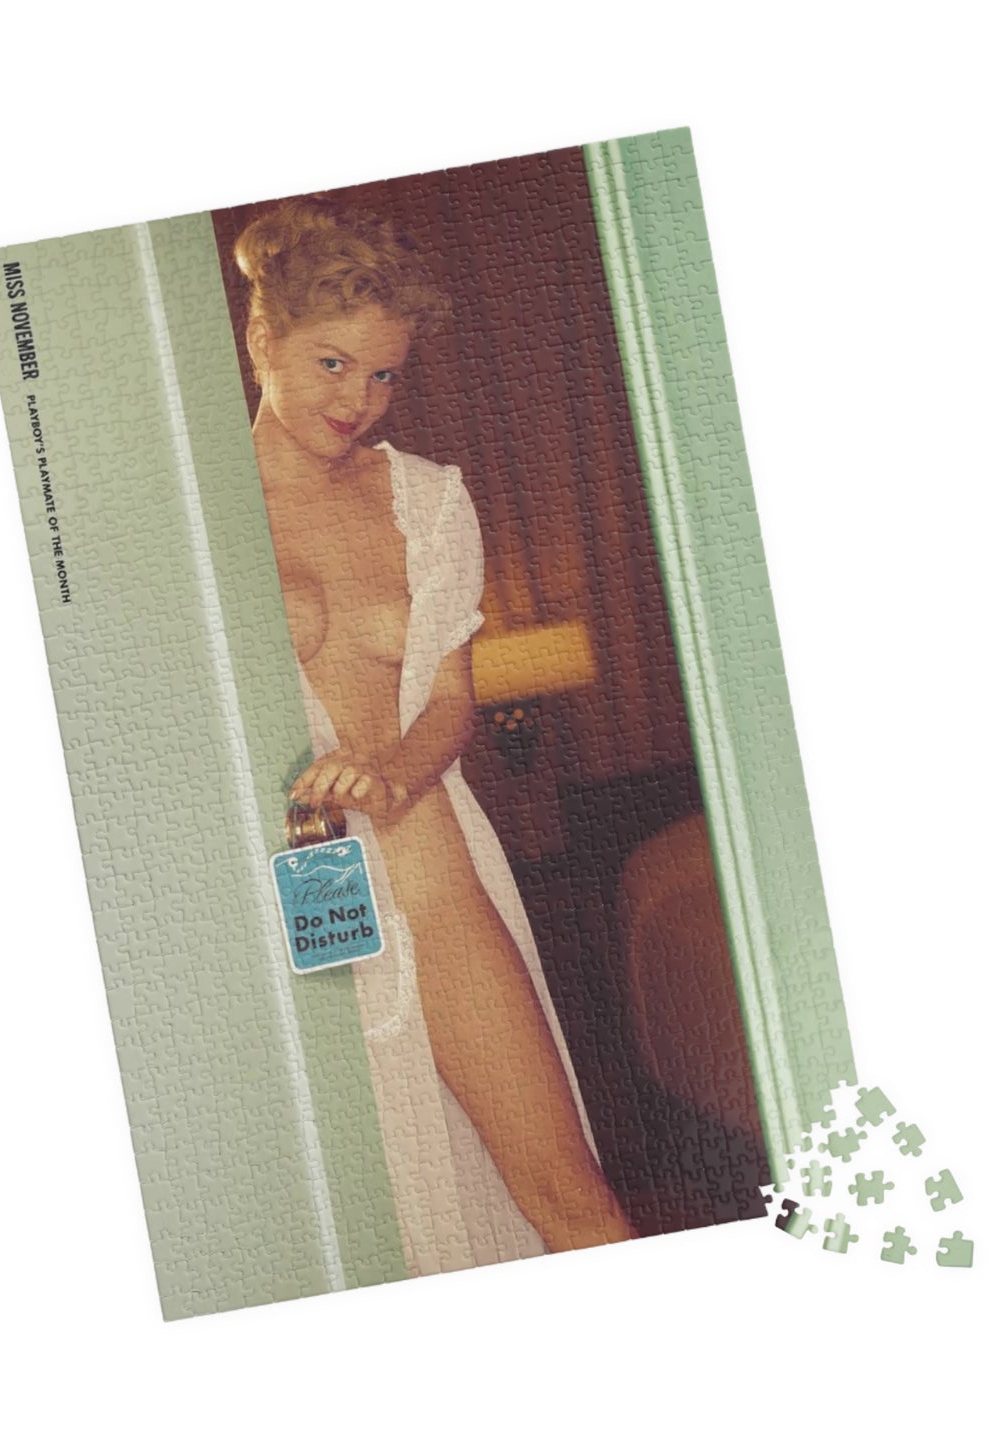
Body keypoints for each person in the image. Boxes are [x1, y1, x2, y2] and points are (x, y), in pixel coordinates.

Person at [234, 197, 634, 1272]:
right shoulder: (201, 514)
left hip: (429, 865)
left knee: (573, 1200)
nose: (356, 400)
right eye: (330, 363)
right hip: (299, 887)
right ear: (260, 338)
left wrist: (392, 775)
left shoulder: (426, 499)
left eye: (382, 374)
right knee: (370, 1233)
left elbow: (451, 701)